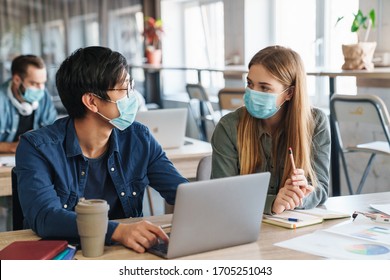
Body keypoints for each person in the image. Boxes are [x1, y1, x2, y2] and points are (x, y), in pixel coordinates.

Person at [15, 46, 188, 253]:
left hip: (127, 255)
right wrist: (118, 231)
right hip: (69, 257)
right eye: (124, 89)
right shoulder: (36, 147)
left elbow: (182, 193)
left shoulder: (138, 138)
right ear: (92, 102)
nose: (132, 96)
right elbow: (45, 216)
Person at [211, 45, 330, 215]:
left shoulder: (316, 122)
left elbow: (322, 189)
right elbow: (221, 195)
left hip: (295, 224)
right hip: (242, 225)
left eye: (264, 88)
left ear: (289, 93)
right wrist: (272, 203)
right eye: (250, 84)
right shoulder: (228, 127)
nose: (252, 93)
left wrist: (299, 196)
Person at [0, 55, 57, 153]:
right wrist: (12, 147)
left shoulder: (44, 96)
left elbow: (55, 135)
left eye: (43, 83)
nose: (41, 89)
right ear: (17, 80)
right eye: (34, 83)